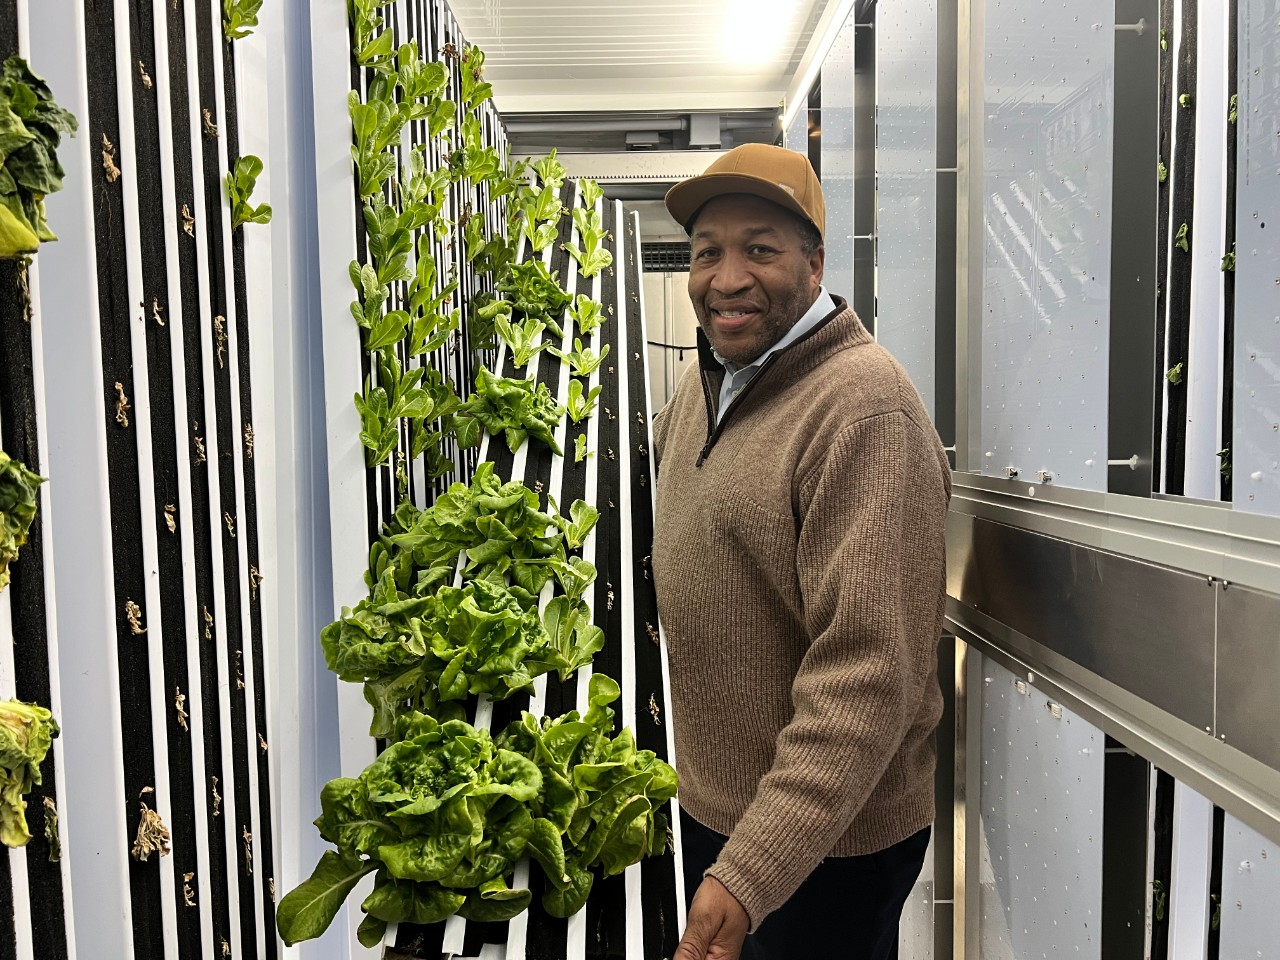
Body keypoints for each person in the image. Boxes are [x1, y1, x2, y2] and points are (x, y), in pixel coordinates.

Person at [650, 143, 951, 960]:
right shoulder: (708, 382)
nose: (728, 277)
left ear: (814, 263)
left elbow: (867, 677)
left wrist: (749, 870)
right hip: (720, 806)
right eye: (707, 252)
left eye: (761, 249)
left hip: (826, 844)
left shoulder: (864, 412)